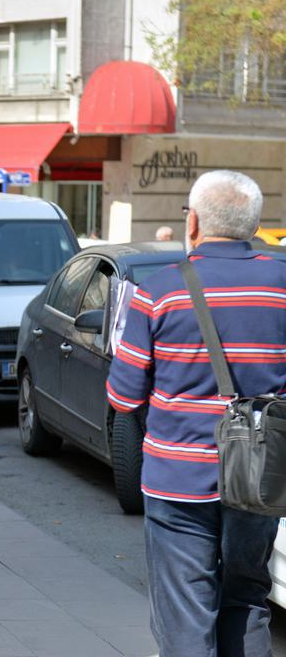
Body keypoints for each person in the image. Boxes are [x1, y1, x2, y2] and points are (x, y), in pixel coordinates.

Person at [107, 170, 286, 657]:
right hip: (260, 478)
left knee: (186, 610)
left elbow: (123, 398)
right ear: (254, 225)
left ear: (193, 223)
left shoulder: (159, 291)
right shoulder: (282, 285)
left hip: (178, 479)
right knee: (248, 597)